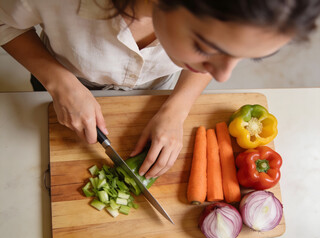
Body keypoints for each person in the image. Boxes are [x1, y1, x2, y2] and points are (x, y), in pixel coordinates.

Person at [1, 0, 320, 179]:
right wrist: (57, 80)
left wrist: (176, 108)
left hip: (156, 86)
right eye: (206, 47)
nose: (224, 76)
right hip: (60, 74)